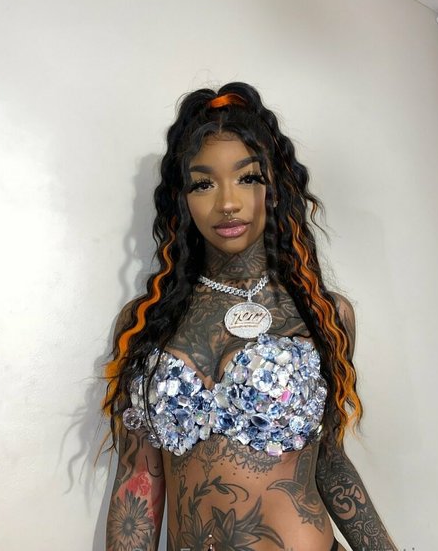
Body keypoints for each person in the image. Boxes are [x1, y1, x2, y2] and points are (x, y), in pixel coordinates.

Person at [103, 82, 397, 551]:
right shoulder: (144, 325)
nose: (227, 203)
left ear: (275, 187)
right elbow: (138, 480)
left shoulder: (323, 314)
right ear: (182, 199)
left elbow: (327, 460)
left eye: (248, 178)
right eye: (204, 183)